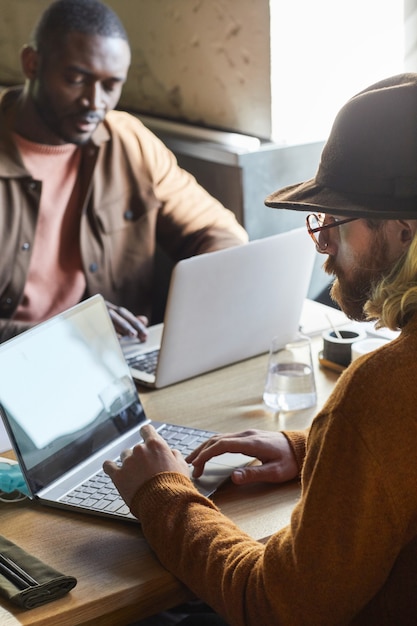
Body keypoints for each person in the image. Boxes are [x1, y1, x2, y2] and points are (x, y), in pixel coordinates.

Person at [104, 72, 417, 626]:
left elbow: (272, 605)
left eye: (333, 223)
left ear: (404, 231)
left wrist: (162, 493)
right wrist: (309, 451)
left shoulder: (382, 390)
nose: (322, 248)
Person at [0, 0, 247, 344]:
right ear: (32, 63)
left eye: (111, 85)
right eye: (75, 78)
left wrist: (198, 305)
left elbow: (217, 231)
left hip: (117, 361)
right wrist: (64, 333)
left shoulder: (129, 142)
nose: (94, 102)